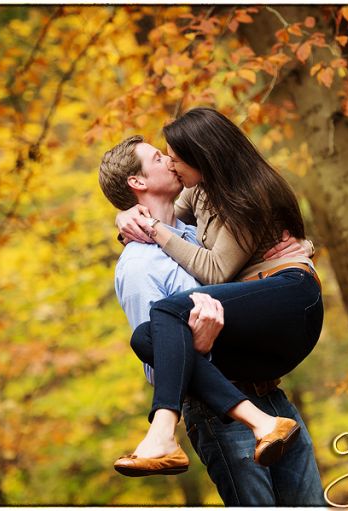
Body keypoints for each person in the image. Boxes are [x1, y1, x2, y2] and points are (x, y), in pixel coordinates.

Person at [99, 134, 324, 504]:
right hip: (218, 415)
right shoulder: (138, 265)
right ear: (137, 182)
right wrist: (197, 346)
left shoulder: (198, 235)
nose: (171, 162)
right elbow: (155, 357)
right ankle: (163, 435)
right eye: (158, 158)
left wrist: (298, 252)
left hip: (271, 395)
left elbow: (252, 279)